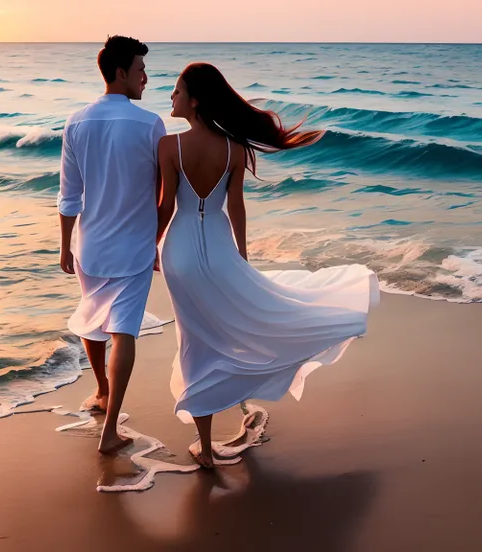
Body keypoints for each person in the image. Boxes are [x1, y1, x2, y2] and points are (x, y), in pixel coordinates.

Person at [156, 63, 379, 468]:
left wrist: (152, 248)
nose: (171, 98)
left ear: (194, 100)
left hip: (181, 251)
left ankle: (204, 448)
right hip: (220, 248)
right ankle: (236, 403)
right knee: (226, 331)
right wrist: (240, 258)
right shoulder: (235, 149)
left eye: (176, 91)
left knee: (194, 340)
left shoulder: (169, 147)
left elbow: (166, 207)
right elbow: (236, 207)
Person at [58, 35, 165, 453]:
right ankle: (110, 429)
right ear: (121, 73)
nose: (145, 78)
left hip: (91, 246)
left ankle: (102, 392)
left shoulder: (76, 121)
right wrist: (158, 238)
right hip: (134, 246)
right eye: (140, 70)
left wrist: (65, 246)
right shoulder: (150, 123)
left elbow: (70, 195)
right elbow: (161, 189)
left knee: (93, 319)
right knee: (123, 331)